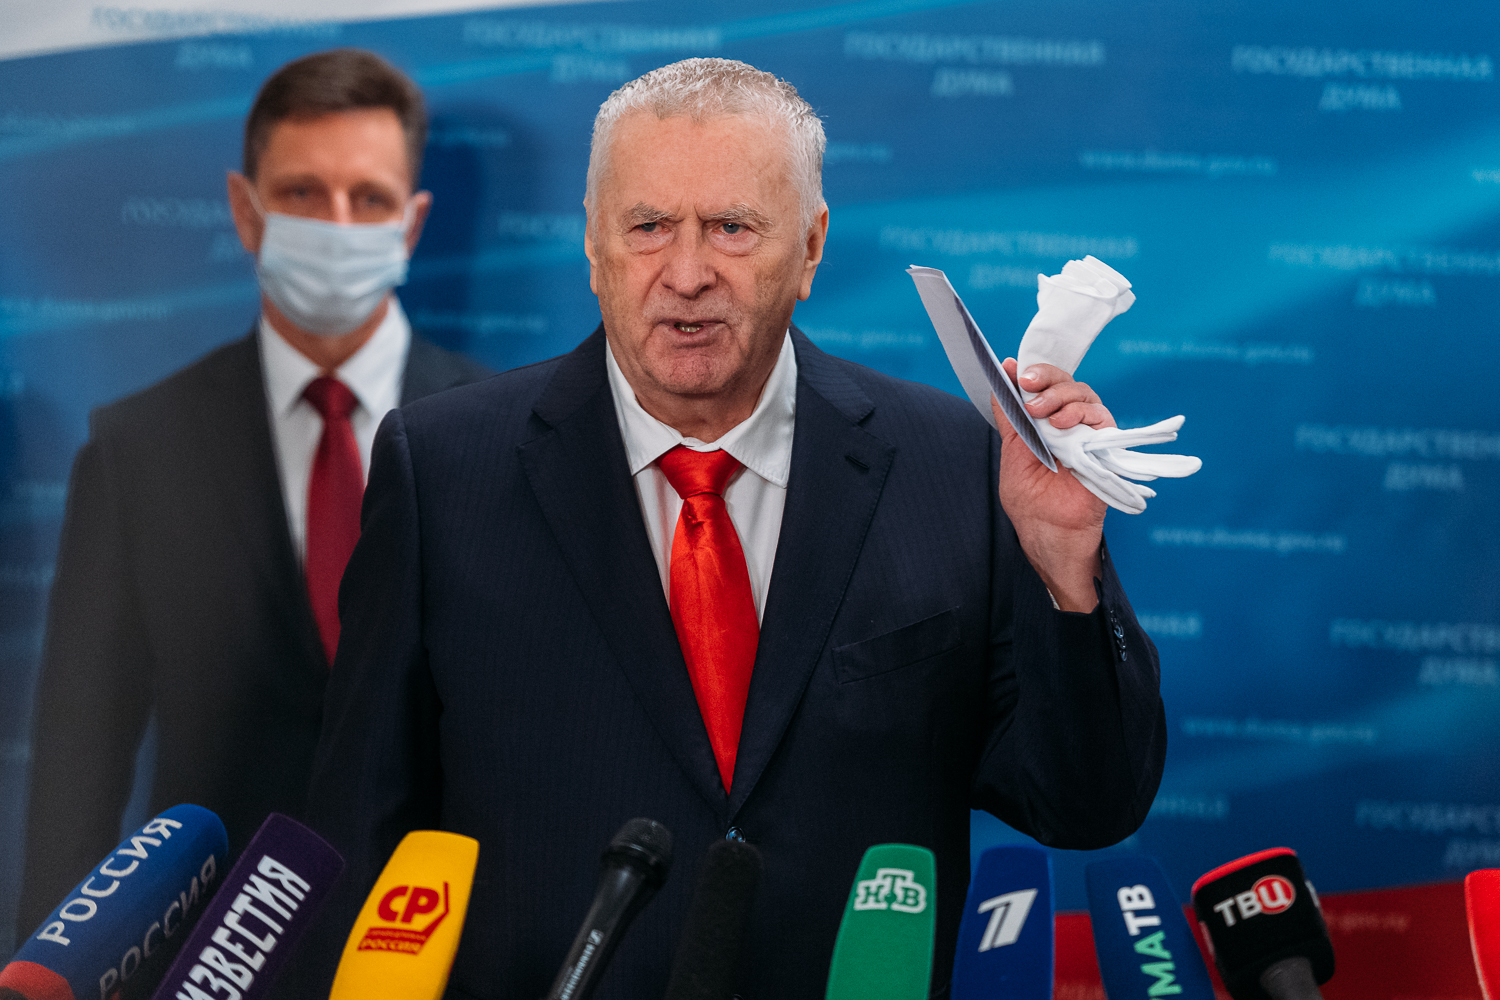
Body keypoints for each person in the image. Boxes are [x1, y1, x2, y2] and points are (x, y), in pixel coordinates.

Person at [302, 58, 1165, 996]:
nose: (686, 275)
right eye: (648, 227)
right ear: (592, 242)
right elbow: (360, 826)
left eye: (732, 228)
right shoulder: (443, 468)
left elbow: (1086, 806)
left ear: (810, 247)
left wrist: (1063, 567)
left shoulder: (952, 464)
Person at [16, 48, 490, 937]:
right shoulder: (136, 452)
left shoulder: (506, 438)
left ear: (412, 224)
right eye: (303, 193)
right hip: (203, 954)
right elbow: (81, 761)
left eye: (370, 199)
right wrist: (45, 975)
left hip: (435, 948)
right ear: (245, 209)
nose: (337, 226)